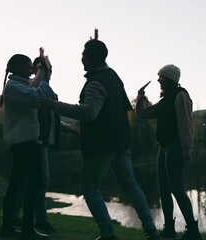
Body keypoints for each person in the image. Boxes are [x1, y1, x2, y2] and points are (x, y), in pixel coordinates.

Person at [37, 34, 158, 240]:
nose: (81, 59)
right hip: (121, 142)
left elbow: (89, 113)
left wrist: (54, 106)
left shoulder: (95, 82)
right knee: (131, 185)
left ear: (91, 57)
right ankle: (151, 231)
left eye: (83, 55)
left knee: (90, 188)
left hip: (101, 145)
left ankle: (108, 234)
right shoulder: (114, 77)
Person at [135, 64, 202, 240]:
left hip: (175, 146)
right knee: (164, 189)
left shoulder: (180, 96)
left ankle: (193, 232)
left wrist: (186, 148)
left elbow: (186, 124)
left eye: (161, 77)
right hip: (163, 147)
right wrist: (141, 97)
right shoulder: (165, 100)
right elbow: (143, 114)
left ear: (170, 78)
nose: (158, 80)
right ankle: (169, 230)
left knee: (176, 189)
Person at [0, 48, 55, 240]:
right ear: (19, 67)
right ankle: (25, 229)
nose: (31, 67)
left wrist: (42, 69)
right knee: (30, 184)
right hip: (24, 144)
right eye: (28, 65)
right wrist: (45, 74)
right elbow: (37, 96)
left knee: (19, 184)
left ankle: (12, 227)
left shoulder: (18, 85)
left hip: (25, 144)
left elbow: (33, 84)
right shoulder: (14, 88)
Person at [11, 57, 60, 234]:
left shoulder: (40, 87)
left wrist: (67, 128)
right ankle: (36, 221)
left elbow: (50, 116)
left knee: (30, 182)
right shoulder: (30, 87)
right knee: (35, 182)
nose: (50, 70)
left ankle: (19, 220)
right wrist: (43, 73)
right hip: (33, 142)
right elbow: (36, 101)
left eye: (50, 67)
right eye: (48, 67)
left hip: (41, 141)